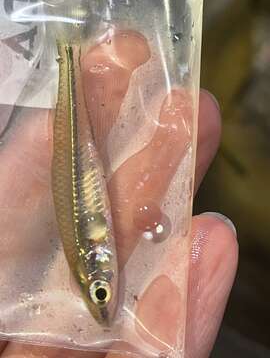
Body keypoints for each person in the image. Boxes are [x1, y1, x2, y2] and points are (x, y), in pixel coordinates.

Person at [0, 31, 238, 357]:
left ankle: (69, 51)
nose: (107, 296)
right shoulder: (92, 253)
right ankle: (69, 52)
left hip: (79, 158)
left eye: (101, 291)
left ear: (92, 261)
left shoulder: (91, 248)